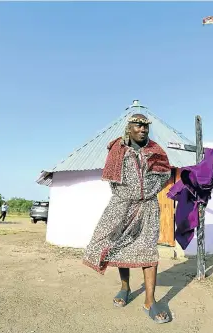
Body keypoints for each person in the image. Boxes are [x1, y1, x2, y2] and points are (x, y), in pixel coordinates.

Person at [83, 114, 172, 324]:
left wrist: (148, 193)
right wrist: (128, 195)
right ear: (129, 128)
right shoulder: (118, 149)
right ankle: (125, 287)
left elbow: (165, 174)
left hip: (148, 206)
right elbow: (112, 179)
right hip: (122, 205)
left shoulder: (156, 150)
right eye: (138, 125)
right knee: (120, 244)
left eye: (145, 127)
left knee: (148, 248)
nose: (143, 129)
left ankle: (150, 301)